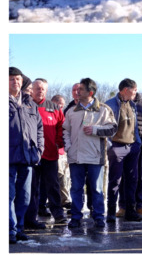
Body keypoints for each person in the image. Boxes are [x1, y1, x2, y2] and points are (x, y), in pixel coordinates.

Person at [63, 78, 117, 230]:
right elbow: (65, 130)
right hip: (75, 157)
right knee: (76, 188)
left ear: (90, 92)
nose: (77, 92)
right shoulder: (71, 111)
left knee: (97, 189)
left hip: (95, 157)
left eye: (80, 89)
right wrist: (68, 146)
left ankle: (99, 217)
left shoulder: (103, 110)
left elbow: (112, 128)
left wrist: (95, 130)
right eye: (77, 89)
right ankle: (75, 217)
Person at [9, 68, 43, 243]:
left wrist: (39, 150)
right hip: (8, 159)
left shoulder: (30, 104)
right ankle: (9, 231)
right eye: (11, 79)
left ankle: (19, 228)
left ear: (22, 82)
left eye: (18, 79)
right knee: (8, 196)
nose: (15, 82)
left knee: (24, 197)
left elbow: (39, 129)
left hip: (28, 158)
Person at [26, 79, 65, 229]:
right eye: (37, 88)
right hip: (31, 155)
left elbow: (62, 126)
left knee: (53, 186)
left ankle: (59, 215)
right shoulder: (26, 105)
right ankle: (31, 217)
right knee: (32, 187)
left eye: (42, 89)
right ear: (32, 89)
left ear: (46, 91)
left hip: (50, 154)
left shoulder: (54, 108)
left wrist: (58, 143)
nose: (40, 91)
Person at [104, 78, 142, 223]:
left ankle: (130, 211)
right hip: (117, 147)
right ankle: (111, 212)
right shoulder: (110, 105)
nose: (136, 93)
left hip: (132, 147)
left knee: (132, 180)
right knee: (115, 181)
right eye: (134, 90)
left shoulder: (133, 105)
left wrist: (137, 143)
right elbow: (105, 127)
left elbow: (135, 127)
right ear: (125, 90)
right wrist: (110, 147)